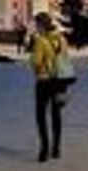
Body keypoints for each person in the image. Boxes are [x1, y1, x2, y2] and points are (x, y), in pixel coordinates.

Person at [29, 12, 70, 162]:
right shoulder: (61, 39)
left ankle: (44, 148)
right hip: (59, 81)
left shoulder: (41, 41)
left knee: (41, 115)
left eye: (36, 24)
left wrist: (34, 56)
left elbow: (36, 62)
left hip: (44, 81)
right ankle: (56, 148)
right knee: (56, 114)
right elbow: (65, 58)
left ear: (40, 25)